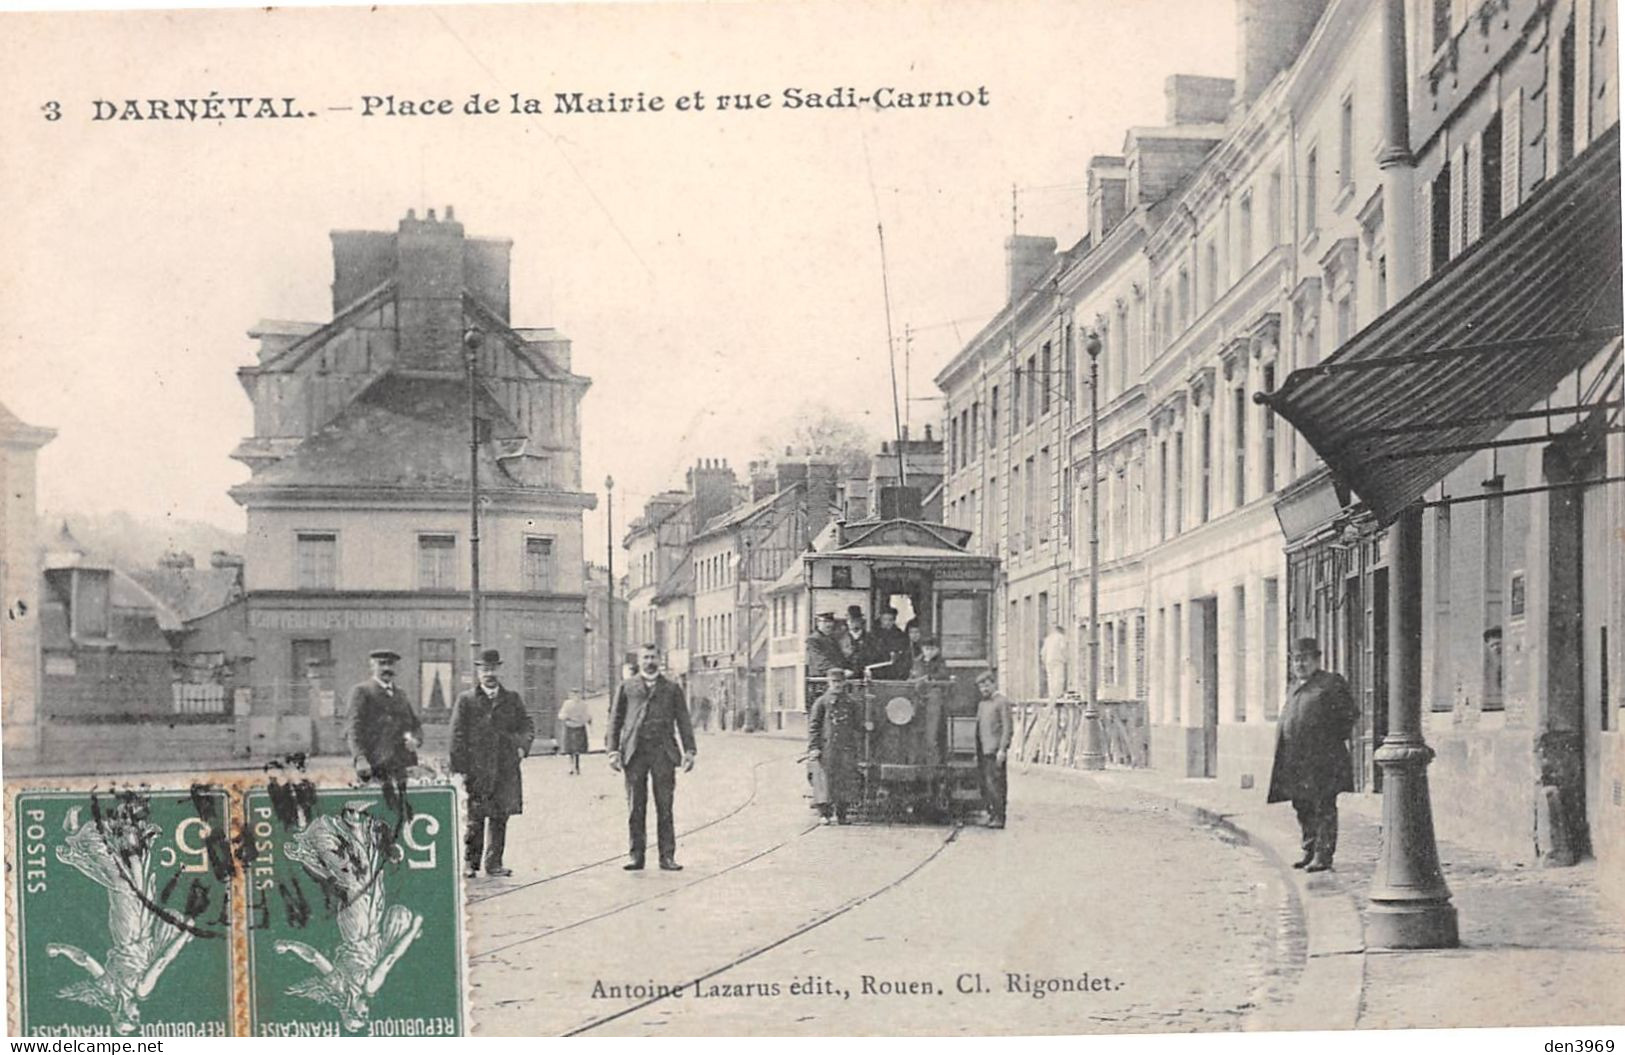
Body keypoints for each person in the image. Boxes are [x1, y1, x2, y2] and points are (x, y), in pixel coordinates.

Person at [1267, 638, 1360, 872]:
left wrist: (1328, 742)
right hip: (1295, 761)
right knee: (1302, 805)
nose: (1300, 664)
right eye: (1296, 659)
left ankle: (1323, 855)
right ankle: (1309, 850)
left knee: (1323, 806)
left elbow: (1349, 715)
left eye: (1305, 659)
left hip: (1323, 760)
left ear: (1317, 660)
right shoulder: (1294, 687)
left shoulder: (1330, 683)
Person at [608, 644, 697, 871]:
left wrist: (689, 750)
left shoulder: (672, 688)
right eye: (645, 657)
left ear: (660, 659)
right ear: (639, 660)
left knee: (665, 806)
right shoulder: (627, 686)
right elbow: (615, 720)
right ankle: (636, 856)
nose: (649, 661)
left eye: (653, 657)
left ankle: (667, 857)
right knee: (635, 806)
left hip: (663, 753)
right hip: (634, 753)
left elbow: (683, 720)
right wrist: (613, 751)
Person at [450, 650, 535, 878]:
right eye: (484, 669)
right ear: (478, 672)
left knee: (500, 816)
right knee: (474, 818)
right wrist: (460, 769)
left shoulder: (512, 699)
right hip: (476, 769)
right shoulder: (466, 700)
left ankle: (494, 863)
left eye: (493, 669)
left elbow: (527, 726)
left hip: (505, 768)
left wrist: (521, 746)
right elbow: (457, 736)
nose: (489, 674)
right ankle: (471, 863)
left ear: (500, 670)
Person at [345, 648, 422, 785]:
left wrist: (416, 740)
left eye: (391, 664)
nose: (387, 668)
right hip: (375, 764)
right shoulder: (362, 692)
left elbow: (415, 725)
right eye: (382, 663)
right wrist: (360, 758)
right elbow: (353, 728)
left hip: (403, 764)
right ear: (372, 666)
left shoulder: (401, 694)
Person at [807, 668, 862, 824]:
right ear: (828, 682)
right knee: (824, 781)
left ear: (844, 683)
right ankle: (824, 814)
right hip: (827, 748)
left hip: (846, 748)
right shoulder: (821, 702)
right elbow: (814, 726)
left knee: (844, 780)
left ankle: (842, 814)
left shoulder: (851, 703)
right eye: (834, 682)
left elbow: (858, 725)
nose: (837, 685)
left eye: (840, 682)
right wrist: (814, 747)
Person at [975, 670, 1013, 828]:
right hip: (983, 750)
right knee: (986, 785)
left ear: (993, 684)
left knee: (997, 785)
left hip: (995, 751)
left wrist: (1002, 749)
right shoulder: (982, 704)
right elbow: (978, 729)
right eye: (981, 686)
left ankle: (999, 817)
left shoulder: (1002, 702)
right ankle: (991, 814)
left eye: (987, 684)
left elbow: (1007, 728)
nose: (984, 688)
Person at [806, 611, 849, 684]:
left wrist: (848, 668)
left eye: (831, 622)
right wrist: (840, 671)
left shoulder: (832, 639)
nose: (829, 624)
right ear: (818, 623)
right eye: (825, 622)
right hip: (820, 679)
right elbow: (821, 661)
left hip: (834, 677)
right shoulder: (813, 639)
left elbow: (840, 658)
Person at [869, 607, 911, 679]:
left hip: (893, 670)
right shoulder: (874, 635)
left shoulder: (900, 635)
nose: (887, 623)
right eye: (884, 619)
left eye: (890, 620)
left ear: (894, 621)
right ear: (881, 620)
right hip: (876, 669)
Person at [559, 691, 593, 775]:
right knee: (570, 749)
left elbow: (587, 715)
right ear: (571, 696)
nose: (576, 697)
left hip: (579, 727)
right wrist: (567, 717)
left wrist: (587, 720)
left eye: (578, 695)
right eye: (574, 695)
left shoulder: (583, 704)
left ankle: (576, 767)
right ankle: (571, 767)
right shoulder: (567, 704)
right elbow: (562, 715)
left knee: (577, 749)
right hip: (570, 727)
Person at [1042, 624, 1069, 699]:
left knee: (1050, 677)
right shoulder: (1061, 637)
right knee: (1059, 677)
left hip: (1049, 660)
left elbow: (1043, 652)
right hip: (1058, 659)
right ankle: (1058, 694)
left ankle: (1051, 693)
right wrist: (1066, 658)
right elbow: (1063, 648)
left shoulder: (1048, 638)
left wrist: (1044, 661)